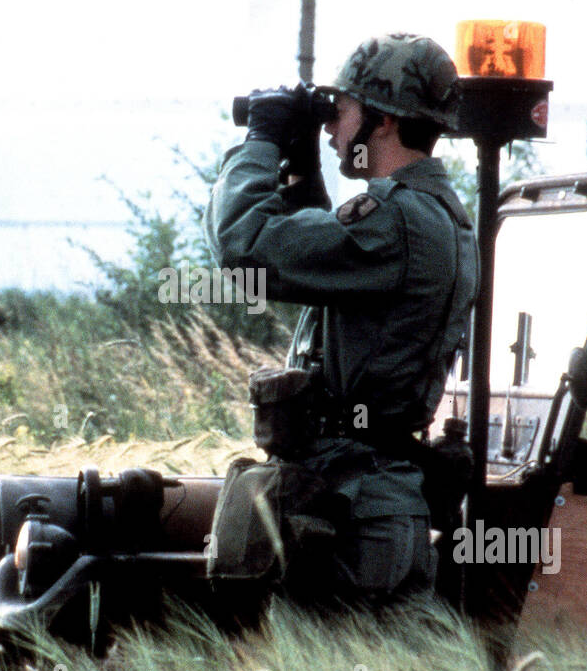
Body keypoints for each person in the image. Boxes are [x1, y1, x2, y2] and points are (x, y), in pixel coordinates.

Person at [205, 33, 479, 606]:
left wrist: (258, 143)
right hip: (381, 497)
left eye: (341, 110)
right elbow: (327, 266)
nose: (332, 127)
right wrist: (302, 161)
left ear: (381, 121)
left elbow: (245, 245)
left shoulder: (397, 220)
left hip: (352, 511)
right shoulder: (432, 215)